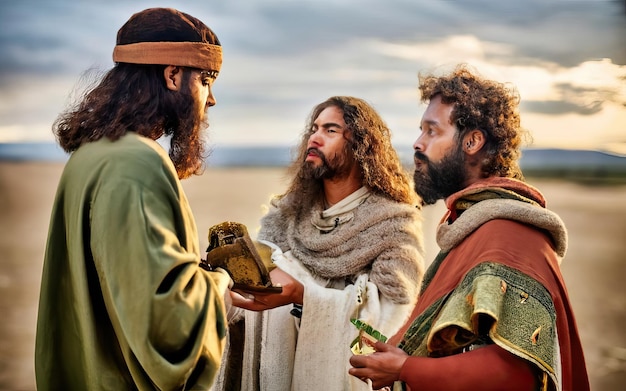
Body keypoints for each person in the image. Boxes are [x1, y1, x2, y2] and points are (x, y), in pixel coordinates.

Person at [348, 64, 591, 391]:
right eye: (421, 130)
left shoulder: (510, 238)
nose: (418, 144)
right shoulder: (474, 225)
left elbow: (518, 373)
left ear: (473, 141)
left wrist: (406, 368)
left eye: (432, 131)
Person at [35, 8, 233, 390]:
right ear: (173, 74)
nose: (211, 99)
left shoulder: (92, 153)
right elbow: (166, 324)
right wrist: (221, 284)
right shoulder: (136, 162)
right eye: (207, 80)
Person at [212, 96, 425, 391]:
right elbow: (259, 280)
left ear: (360, 146)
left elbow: (390, 318)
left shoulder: (393, 222)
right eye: (314, 129)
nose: (314, 137)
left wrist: (304, 297)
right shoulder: (286, 213)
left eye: (330, 130)